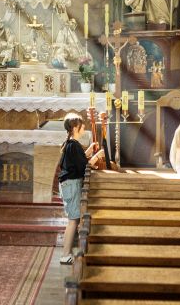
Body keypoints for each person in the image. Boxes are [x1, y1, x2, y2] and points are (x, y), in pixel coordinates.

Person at [58, 112, 105, 265]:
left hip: (70, 184)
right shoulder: (73, 145)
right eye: (81, 125)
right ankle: (65, 255)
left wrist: (89, 150)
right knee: (73, 220)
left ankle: (67, 253)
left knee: (74, 219)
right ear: (75, 128)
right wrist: (97, 156)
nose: (84, 126)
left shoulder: (71, 144)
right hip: (71, 184)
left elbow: (78, 161)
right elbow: (84, 166)